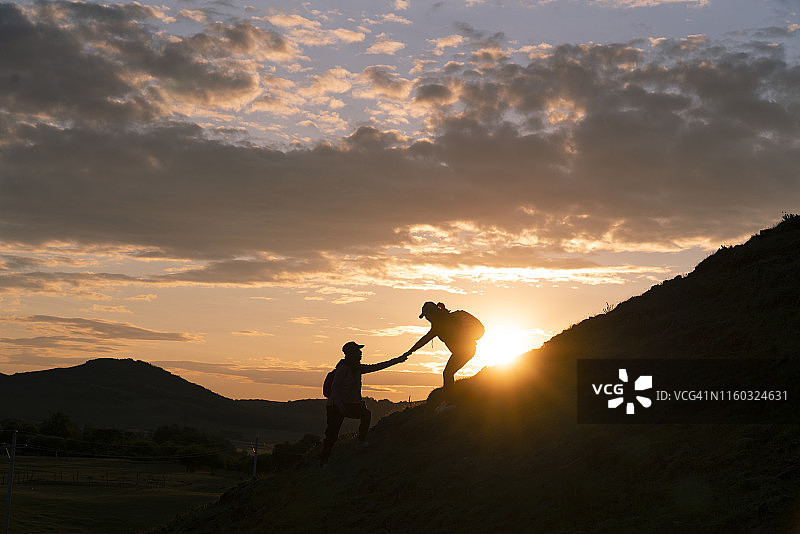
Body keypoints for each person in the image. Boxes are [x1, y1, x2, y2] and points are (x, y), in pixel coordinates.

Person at [320, 341, 407, 467]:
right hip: (335, 406)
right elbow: (335, 387)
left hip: (347, 404)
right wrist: (340, 406)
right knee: (332, 435)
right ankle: (324, 462)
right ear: (351, 353)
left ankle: (360, 442)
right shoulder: (344, 368)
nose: (361, 353)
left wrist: (398, 360)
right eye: (358, 351)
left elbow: (377, 366)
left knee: (366, 414)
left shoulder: (357, 368)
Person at [402, 301, 484, 391]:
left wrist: (409, 352)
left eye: (427, 315)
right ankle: (450, 398)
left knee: (447, 373)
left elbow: (424, 340)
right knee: (448, 373)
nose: (427, 318)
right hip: (467, 350)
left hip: (464, 352)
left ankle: (450, 400)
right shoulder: (445, 319)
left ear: (432, 313)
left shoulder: (440, 324)